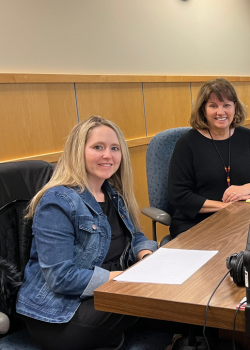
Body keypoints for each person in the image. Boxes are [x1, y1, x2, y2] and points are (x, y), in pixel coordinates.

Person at [16, 116, 158, 350]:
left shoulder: (112, 194)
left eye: (114, 148)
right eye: (97, 147)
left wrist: (145, 256)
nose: (108, 155)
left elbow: (135, 237)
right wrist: (125, 278)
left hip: (104, 293)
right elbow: (61, 277)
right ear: (78, 152)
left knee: (169, 297)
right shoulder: (57, 202)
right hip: (59, 314)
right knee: (156, 303)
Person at [168, 78, 250, 238]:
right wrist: (225, 207)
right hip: (197, 224)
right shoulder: (187, 144)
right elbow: (179, 195)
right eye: (213, 106)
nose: (221, 112)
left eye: (226, 105)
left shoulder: (248, 137)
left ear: (235, 107)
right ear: (203, 110)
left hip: (243, 219)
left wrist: (247, 188)